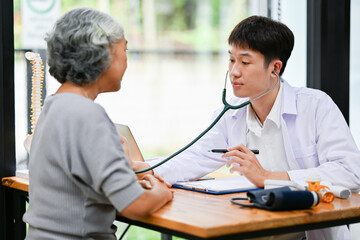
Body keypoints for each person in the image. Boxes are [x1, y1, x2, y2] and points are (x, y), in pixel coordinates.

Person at [132, 16, 360, 240]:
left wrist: (268, 177)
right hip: (256, 228)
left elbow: (350, 171)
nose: (234, 72)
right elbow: (198, 156)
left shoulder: (315, 105)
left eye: (245, 62)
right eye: (231, 60)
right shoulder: (232, 112)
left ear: (275, 68)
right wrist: (148, 170)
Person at [23, 8, 173, 240]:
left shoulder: (54, 106)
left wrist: (123, 173)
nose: (126, 59)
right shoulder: (87, 114)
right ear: (104, 54)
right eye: (124, 50)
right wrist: (161, 193)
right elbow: (135, 206)